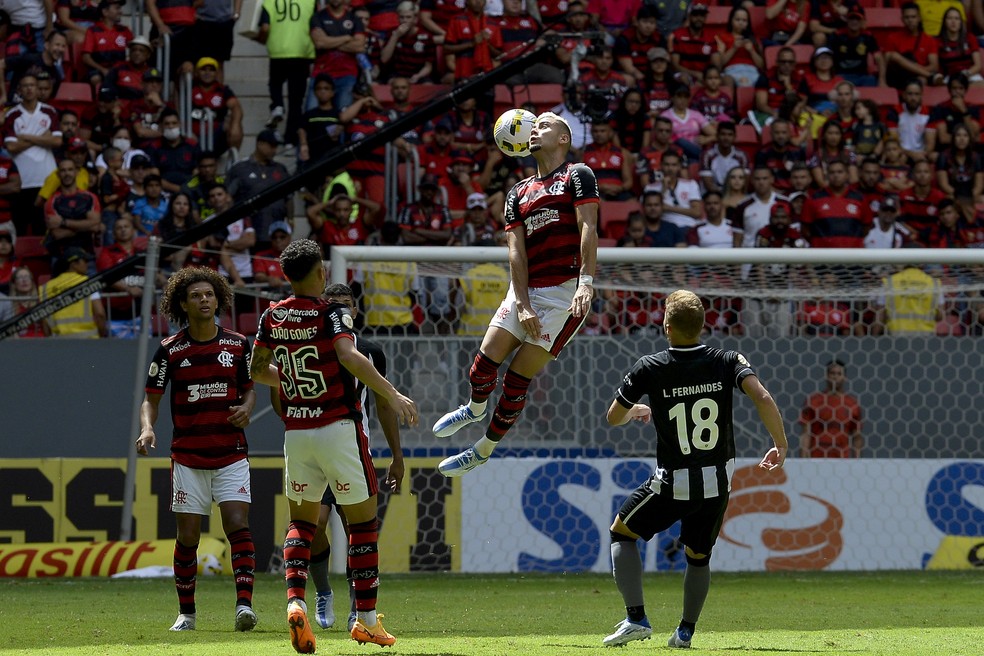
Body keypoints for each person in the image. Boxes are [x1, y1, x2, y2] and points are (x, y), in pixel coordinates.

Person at [249, 239, 417, 654]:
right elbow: (347, 355)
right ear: (321, 272)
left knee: (301, 524)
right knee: (362, 526)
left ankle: (296, 601)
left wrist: (290, 378)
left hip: (296, 433)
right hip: (339, 429)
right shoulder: (332, 313)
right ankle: (367, 621)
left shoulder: (271, 315)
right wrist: (393, 393)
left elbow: (256, 369)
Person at [601, 289, 788, 649]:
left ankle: (636, 618)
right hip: (717, 484)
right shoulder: (727, 360)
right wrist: (780, 444)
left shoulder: (649, 367)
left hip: (673, 483)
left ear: (667, 327)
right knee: (698, 557)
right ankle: (685, 632)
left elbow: (613, 417)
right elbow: (762, 396)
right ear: (703, 326)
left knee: (622, 533)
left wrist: (635, 411)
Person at [432, 112, 600, 477]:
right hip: (524, 289)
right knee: (482, 365)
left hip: (564, 295)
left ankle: (482, 450)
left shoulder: (578, 175)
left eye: (545, 125)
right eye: (533, 126)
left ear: (564, 139)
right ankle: (474, 409)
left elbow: (589, 225)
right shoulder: (518, 192)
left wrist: (586, 282)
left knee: (514, 381)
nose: (535, 129)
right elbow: (515, 253)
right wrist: (521, 304)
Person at [136, 267, 258, 633]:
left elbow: (250, 389)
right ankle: (186, 614)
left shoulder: (237, 344)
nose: (204, 300)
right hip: (188, 456)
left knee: (236, 523)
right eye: (195, 296)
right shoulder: (170, 350)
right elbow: (151, 398)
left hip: (231, 452)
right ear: (183, 305)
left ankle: (244, 606)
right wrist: (147, 428)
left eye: (209, 294)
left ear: (218, 300)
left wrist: (247, 407)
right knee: (188, 536)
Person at [306, 283, 406, 633]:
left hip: (351, 449)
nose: (338, 310)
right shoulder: (309, 346)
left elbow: (383, 405)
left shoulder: (370, 352)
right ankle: (323, 591)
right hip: (315, 450)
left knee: (357, 530)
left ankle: (355, 607)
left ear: (355, 311)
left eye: (344, 305)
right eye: (331, 304)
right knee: (313, 526)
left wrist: (396, 455)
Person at [799, 359, 862, 458]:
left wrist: (857, 462)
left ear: (844, 377)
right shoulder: (813, 401)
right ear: (826, 375)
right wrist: (804, 461)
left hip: (842, 459)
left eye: (839, 373)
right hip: (817, 458)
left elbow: (857, 436)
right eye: (832, 373)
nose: (835, 376)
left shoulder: (852, 404)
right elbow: (806, 433)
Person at [40, 247, 108, 338]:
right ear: (74, 264)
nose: (87, 265)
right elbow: (100, 314)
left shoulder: (46, 287)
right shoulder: (88, 283)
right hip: (87, 340)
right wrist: (102, 335)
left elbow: (45, 322)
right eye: (85, 261)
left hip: (58, 342)